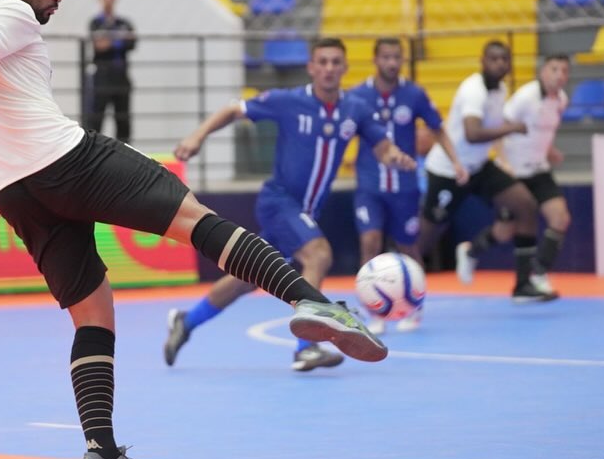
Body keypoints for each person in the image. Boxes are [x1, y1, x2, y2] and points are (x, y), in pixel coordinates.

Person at [0, 0, 388, 459]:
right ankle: (312, 301)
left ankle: (102, 455)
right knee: (192, 218)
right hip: (61, 159)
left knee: (93, 311)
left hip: (10, 191)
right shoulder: (11, 12)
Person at [164, 38, 417, 372]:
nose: (329, 68)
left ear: (345, 67)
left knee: (247, 277)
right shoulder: (288, 101)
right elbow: (234, 110)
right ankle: (306, 348)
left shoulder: (355, 109)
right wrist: (197, 136)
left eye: (335, 62)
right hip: (279, 201)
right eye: (322, 62)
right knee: (319, 254)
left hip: (307, 212)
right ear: (311, 67)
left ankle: (187, 321)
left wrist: (395, 157)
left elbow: (382, 146)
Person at [416, 41, 556, 302]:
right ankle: (396, 284)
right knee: (426, 236)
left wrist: (505, 157)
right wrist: (512, 128)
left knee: (525, 204)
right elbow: (472, 133)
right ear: (482, 61)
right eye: (494, 59)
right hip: (449, 170)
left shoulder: (501, 89)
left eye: (505, 59)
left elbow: (491, 129)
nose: (500, 64)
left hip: (479, 166)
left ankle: (523, 285)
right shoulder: (474, 90)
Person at [350, 38, 468, 333]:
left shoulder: (414, 94)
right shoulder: (357, 96)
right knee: (370, 241)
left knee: (408, 246)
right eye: (386, 57)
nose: (392, 63)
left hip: (404, 186)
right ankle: (373, 311)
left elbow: (437, 128)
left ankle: (415, 306)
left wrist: (456, 162)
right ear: (375, 60)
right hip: (369, 184)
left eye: (396, 57)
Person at [497, 55, 572, 294]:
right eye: (554, 69)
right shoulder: (525, 96)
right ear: (543, 72)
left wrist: (550, 151)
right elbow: (500, 127)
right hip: (515, 171)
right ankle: (471, 251)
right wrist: (503, 161)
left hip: (539, 169)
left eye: (564, 71)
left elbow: (543, 131)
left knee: (560, 218)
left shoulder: (561, 100)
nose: (559, 75)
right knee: (505, 230)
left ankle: (538, 273)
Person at [82, 0, 135, 143]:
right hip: (102, 78)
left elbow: (132, 42)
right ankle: (94, 152)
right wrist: (120, 38)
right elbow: (99, 45)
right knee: (96, 119)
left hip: (121, 77)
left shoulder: (124, 22)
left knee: (123, 120)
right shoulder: (96, 22)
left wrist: (110, 39)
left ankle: (126, 153)